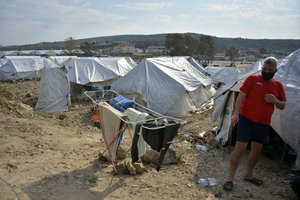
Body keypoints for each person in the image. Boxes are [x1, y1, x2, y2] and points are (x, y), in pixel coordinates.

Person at [223, 57, 286, 191]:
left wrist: (275, 100)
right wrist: (235, 113)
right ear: (262, 68)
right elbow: (241, 97)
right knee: (240, 147)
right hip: (246, 119)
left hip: (263, 123)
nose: (267, 71)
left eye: (270, 70)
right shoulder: (252, 79)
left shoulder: (278, 85)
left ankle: (248, 175)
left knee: (257, 149)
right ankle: (230, 178)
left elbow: (282, 106)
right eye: (265, 69)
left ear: (276, 70)